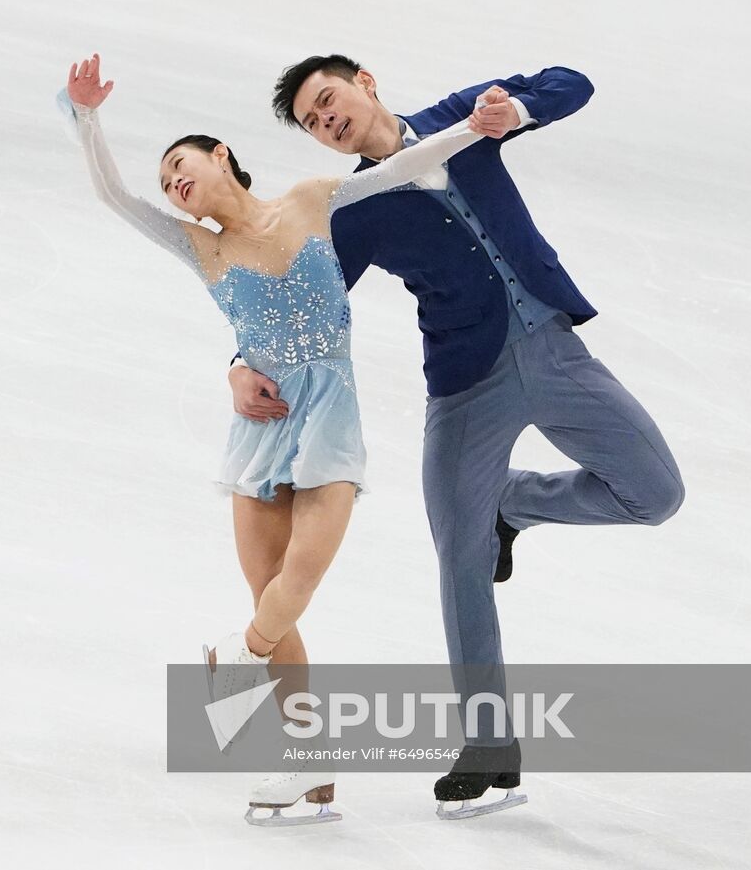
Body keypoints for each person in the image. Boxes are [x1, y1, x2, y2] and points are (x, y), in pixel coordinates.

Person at [226, 55, 685, 819]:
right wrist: (244, 361)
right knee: (458, 550)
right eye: (313, 122)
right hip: (469, 382)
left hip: (555, 348)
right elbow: (304, 299)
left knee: (656, 493)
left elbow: (571, 82)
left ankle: (515, 506)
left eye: (328, 100)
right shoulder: (355, 206)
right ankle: (488, 744)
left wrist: (520, 113)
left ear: (364, 82)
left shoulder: (462, 118)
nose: (327, 121)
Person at [60, 53, 484, 824]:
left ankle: (235, 657)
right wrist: (86, 115)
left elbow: (401, 165)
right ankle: (308, 767)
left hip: (331, 415)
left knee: (300, 580)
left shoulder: (312, 197)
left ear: (220, 155)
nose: (173, 184)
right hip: (260, 427)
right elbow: (112, 195)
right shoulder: (200, 246)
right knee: (271, 598)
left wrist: (470, 129)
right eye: (167, 184)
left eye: (180, 166)